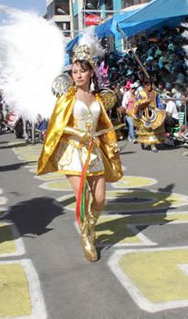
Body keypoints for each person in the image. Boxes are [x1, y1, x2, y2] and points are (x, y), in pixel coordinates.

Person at [37, 44, 123, 262]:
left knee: (100, 199)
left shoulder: (97, 99)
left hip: (93, 152)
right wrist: (77, 132)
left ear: (91, 72)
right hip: (72, 152)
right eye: (74, 71)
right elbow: (55, 127)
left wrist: (106, 138)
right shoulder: (67, 98)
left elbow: (103, 123)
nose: (78, 75)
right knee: (82, 197)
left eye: (82, 71)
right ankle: (85, 235)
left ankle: (90, 225)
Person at [133, 79, 166, 152]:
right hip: (143, 114)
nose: (150, 86)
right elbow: (137, 103)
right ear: (144, 85)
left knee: (153, 130)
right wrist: (142, 104)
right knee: (144, 130)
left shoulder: (155, 93)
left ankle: (153, 145)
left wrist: (160, 110)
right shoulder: (140, 93)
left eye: (150, 84)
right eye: (148, 85)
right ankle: (143, 142)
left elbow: (159, 102)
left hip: (153, 113)